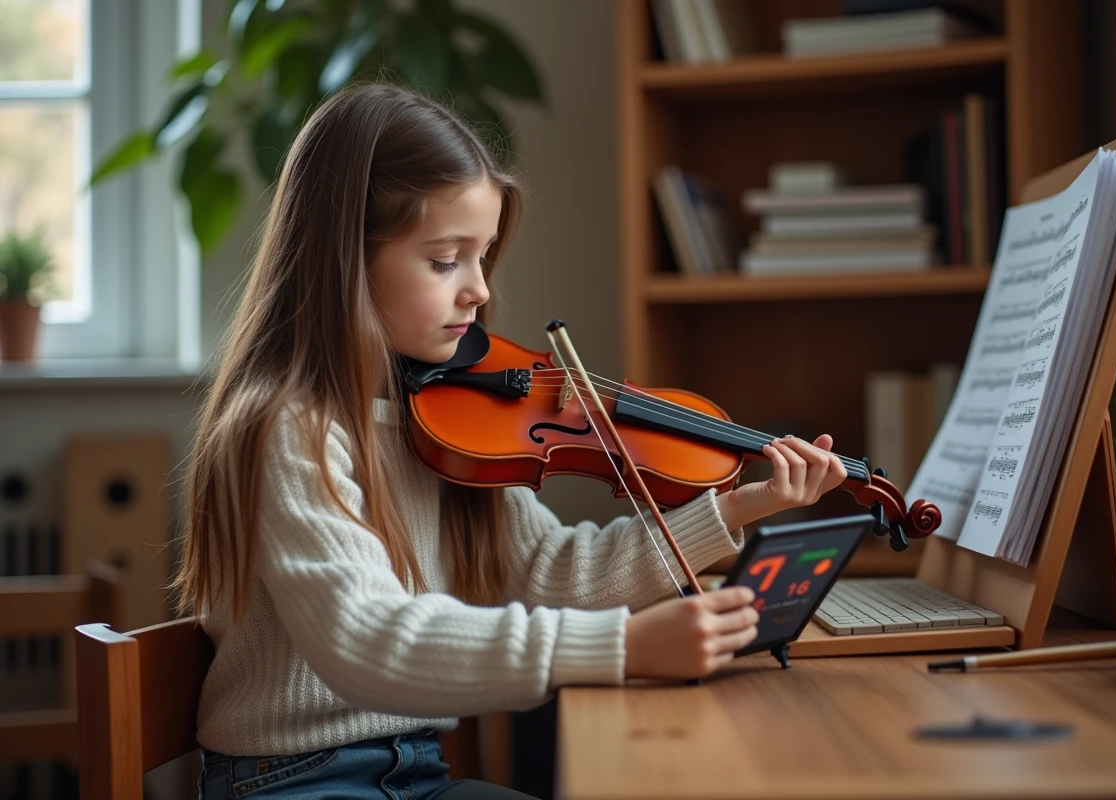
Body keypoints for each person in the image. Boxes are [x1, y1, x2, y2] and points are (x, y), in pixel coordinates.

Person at [174, 82, 848, 800]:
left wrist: (734, 509)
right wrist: (620, 648)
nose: (479, 292)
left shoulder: (440, 414)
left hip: (416, 774)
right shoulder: (286, 428)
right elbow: (367, 640)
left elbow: (557, 571)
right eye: (445, 260)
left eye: (482, 258)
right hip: (293, 784)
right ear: (344, 258)